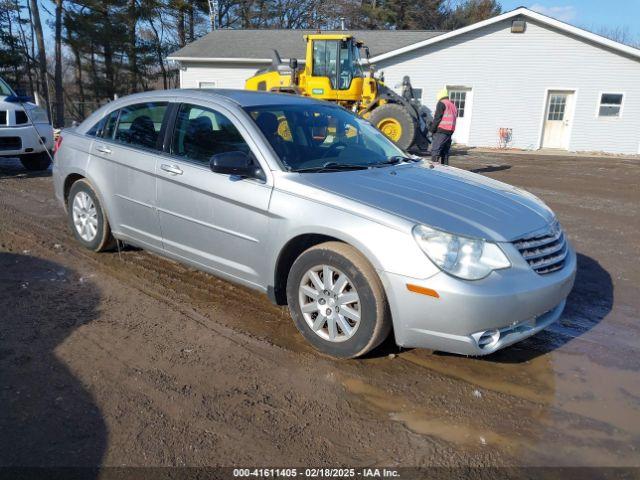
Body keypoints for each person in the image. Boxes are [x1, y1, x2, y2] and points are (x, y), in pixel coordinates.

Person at [429, 88, 457, 165]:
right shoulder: (452, 105)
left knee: (436, 150)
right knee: (445, 152)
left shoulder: (441, 103)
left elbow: (437, 118)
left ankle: (434, 169)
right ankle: (445, 169)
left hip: (442, 130)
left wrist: (431, 130)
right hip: (450, 131)